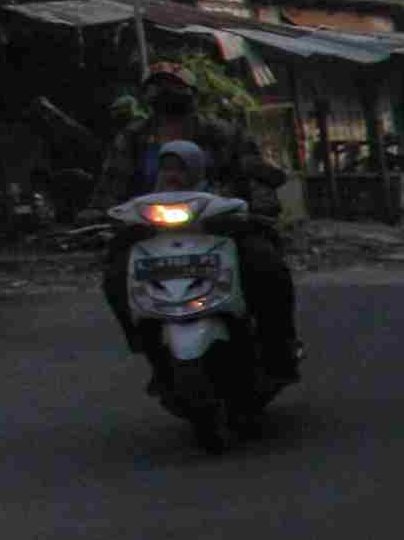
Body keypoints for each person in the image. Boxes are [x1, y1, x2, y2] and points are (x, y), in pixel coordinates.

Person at [106, 73, 301, 382]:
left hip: (220, 225)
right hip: (150, 227)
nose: (165, 93)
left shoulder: (222, 132)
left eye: (173, 85)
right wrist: (96, 212)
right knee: (115, 272)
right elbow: (113, 182)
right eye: (158, 86)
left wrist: (260, 204)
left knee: (266, 264)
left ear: (190, 94)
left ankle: (279, 346)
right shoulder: (133, 137)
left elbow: (251, 170)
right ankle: (146, 342)